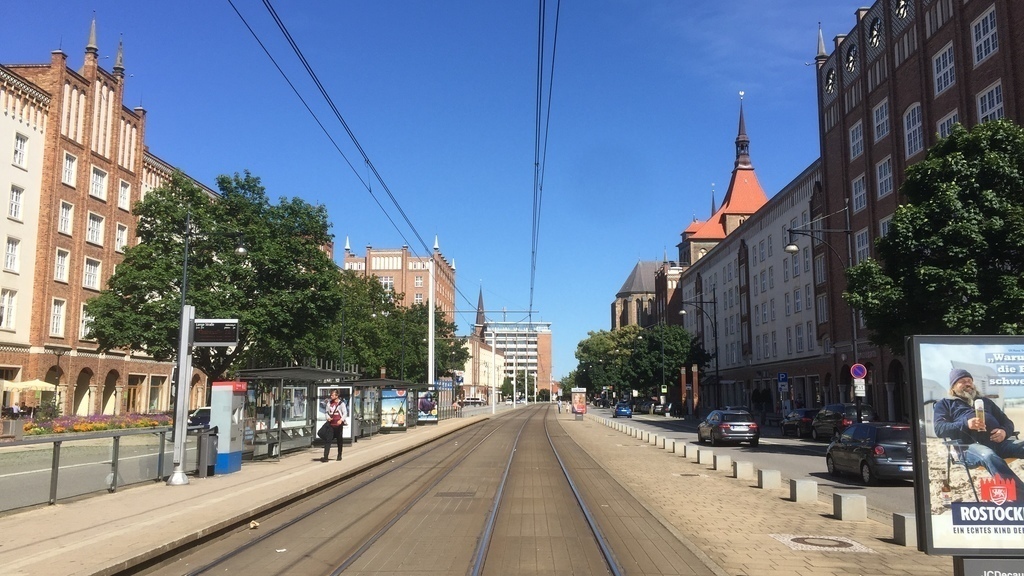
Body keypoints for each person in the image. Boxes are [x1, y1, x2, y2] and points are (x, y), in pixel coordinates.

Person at [934, 368, 1024, 498]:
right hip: (968, 447)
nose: (968, 384)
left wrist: (1004, 431)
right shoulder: (945, 404)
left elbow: (1007, 422)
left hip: (998, 442)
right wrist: (966, 423)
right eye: (963, 381)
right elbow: (939, 429)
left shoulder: (985, 402)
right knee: (988, 455)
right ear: (953, 386)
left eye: (970, 380)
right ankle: (1021, 497)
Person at [321, 390, 348, 462]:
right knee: (328, 440)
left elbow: (345, 413)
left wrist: (341, 420)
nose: (331, 396)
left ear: (337, 396)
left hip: (338, 425)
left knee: (339, 440)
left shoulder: (341, 404)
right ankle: (325, 457)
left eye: (333, 395)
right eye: (331, 395)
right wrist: (328, 417)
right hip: (331, 424)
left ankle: (339, 455)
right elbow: (326, 412)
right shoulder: (329, 403)